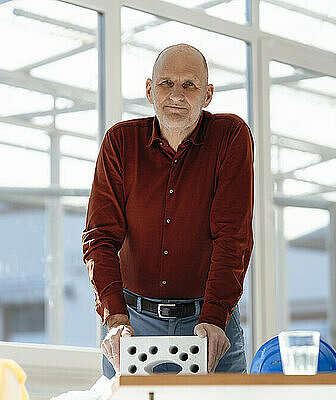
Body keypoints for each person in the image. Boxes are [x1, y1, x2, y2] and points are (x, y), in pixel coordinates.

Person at [82, 43, 254, 377]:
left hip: (210, 322)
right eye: (166, 83)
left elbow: (232, 237)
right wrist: (115, 318)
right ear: (149, 90)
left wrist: (215, 316)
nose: (176, 94)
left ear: (207, 95)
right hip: (133, 323)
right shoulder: (119, 143)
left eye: (189, 85)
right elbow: (100, 238)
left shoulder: (231, 137)